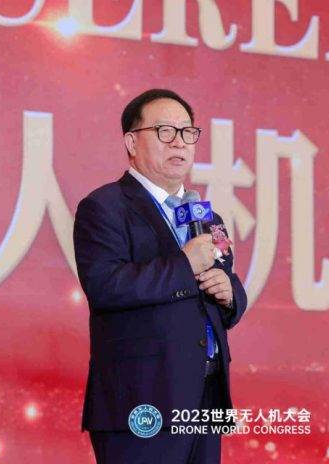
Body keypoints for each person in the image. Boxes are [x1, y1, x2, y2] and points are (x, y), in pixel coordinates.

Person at [73, 89, 247, 463]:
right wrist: (184, 265)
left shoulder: (207, 217)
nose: (179, 142)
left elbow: (227, 284)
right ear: (131, 142)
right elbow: (105, 287)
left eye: (187, 132)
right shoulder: (104, 207)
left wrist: (230, 294)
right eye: (164, 131)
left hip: (204, 397)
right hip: (142, 400)